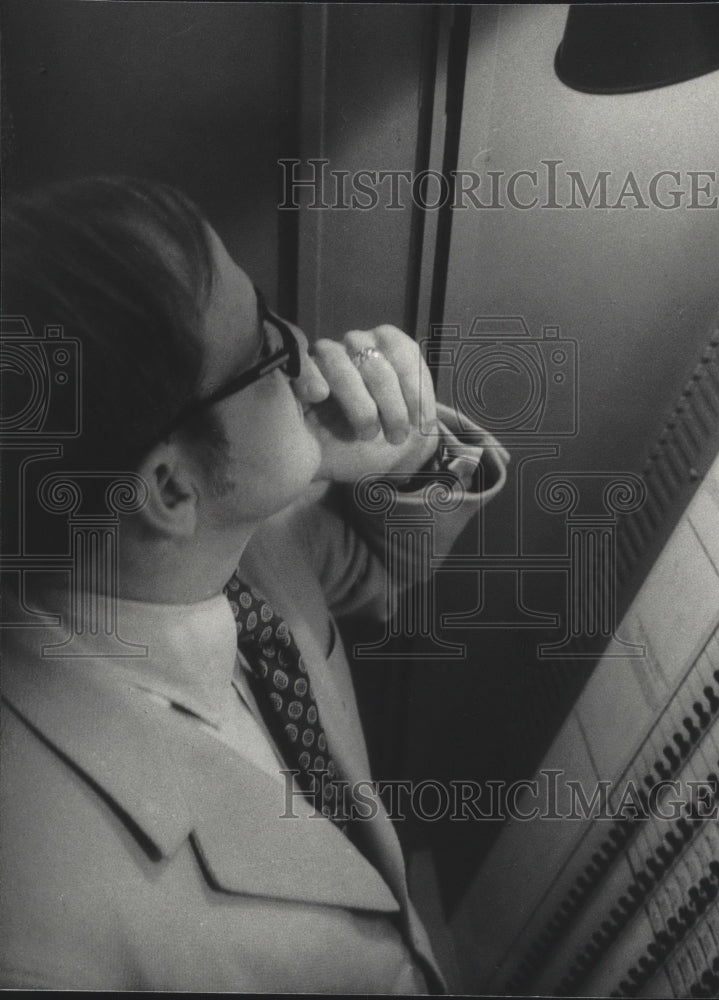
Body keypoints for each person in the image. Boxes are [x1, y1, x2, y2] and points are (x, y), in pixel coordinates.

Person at [0, 176, 508, 991]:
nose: (308, 352)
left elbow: (377, 570)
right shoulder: (40, 948)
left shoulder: (228, 539)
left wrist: (412, 453)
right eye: (266, 353)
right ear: (169, 490)